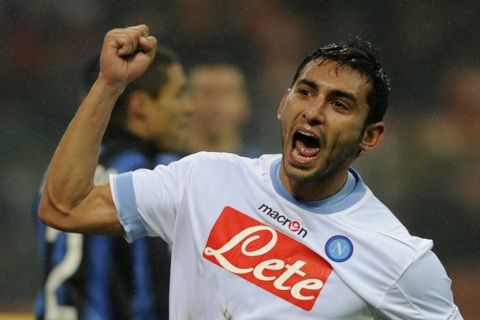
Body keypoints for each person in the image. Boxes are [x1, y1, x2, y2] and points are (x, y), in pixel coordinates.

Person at [38, 25, 462, 319]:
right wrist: (109, 86)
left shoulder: (400, 261)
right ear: (283, 104)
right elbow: (65, 206)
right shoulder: (203, 180)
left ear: (370, 136)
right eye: (306, 92)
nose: (313, 112)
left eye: (340, 104)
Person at [34, 41, 189, 320]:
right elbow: (150, 293)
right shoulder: (141, 178)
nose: (187, 109)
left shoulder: (59, 178)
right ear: (140, 106)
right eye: (178, 95)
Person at [187, 62, 258, 156]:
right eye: (205, 92)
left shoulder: (263, 168)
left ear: (245, 104)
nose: (215, 106)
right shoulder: (166, 167)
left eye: (225, 93)